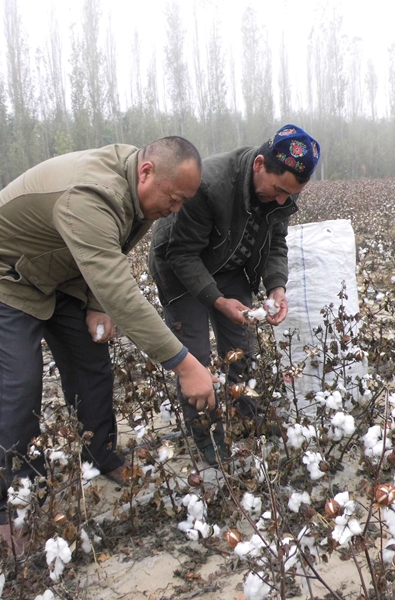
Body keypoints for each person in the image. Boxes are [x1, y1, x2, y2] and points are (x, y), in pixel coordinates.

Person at [0, 137, 216, 548]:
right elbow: (120, 289)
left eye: (182, 201)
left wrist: (95, 304)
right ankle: (17, 505)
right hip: (1, 273)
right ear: (147, 173)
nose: (176, 210)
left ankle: (102, 456)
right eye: (174, 198)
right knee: (21, 383)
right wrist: (185, 364)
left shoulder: (140, 189)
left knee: (91, 362)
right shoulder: (91, 195)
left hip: (58, 273)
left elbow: (110, 253)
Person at [148, 124, 320, 465]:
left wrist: (276, 285)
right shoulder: (209, 184)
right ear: (259, 165)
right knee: (194, 359)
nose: (284, 199)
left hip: (230, 267)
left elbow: (276, 242)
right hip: (179, 268)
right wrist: (217, 300)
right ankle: (207, 435)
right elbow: (182, 254)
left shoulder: (283, 190)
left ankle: (250, 413)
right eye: (279, 189)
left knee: (240, 348)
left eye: (292, 194)